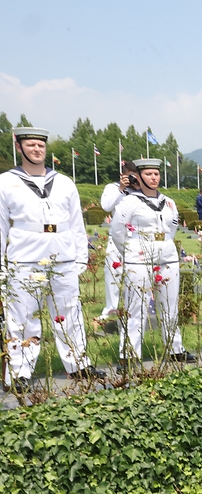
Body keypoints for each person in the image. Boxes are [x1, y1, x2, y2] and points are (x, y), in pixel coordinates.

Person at [0, 127, 105, 392]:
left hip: (63, 256)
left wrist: (81, 256)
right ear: (19, 146)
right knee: (23, 316)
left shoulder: (64, 182)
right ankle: (19, 373)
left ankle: (78, 364)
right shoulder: (5, 182)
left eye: (41, 145)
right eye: (31, 145)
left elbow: (76, 223)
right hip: (26, 258)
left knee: (70, 313)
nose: (37, 149)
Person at [110, 158, 196, 366]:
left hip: (166, 256)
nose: (153, 178)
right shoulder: (129, 202)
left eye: (156, 174)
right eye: (148, 174)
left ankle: (174, 348)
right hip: (138, 256)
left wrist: (163, 245)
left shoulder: (168, 202)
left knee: (170, 304)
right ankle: (129, 353)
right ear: (138, 177)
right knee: (136, 307)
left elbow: (171, 229)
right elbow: (118, 232)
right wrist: (130, 251)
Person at [99, 160, 140, 320]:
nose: (133, 179)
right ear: (123, 175)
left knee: (137, 272)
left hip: (136, 237)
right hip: (117, 236)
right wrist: (121, 189)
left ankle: (136, 305)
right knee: (113, 271)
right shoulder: (113, 188)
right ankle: (111, 307)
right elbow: (106, 206)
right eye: (131, 176)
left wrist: (139, 187)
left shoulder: (141, 190)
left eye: (136, 176)